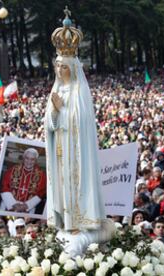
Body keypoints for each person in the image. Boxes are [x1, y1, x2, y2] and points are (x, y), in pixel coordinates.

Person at [45, 9, 106, 232]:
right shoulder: (56, 91)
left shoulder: (80, 93)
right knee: (61, 185)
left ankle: (81, 221)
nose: (60, 70)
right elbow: (48, 126)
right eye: (58, 66)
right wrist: (54, 111)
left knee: (77, 183)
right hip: (60, 149)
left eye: (64, 66)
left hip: (76, 150)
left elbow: (83, 123)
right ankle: (65, 222)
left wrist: (65, 114)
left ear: (72, 68)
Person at [0, 148, 46, 214]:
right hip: (9, 205)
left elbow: (41, 193)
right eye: (27, 158)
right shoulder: (12, 170)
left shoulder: (42, 176)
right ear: (23, 158)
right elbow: (4, 187)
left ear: (36, 160)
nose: (29, 161)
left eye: (32, 159)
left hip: (28, 209)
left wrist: (26, 205)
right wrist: (13, 204)